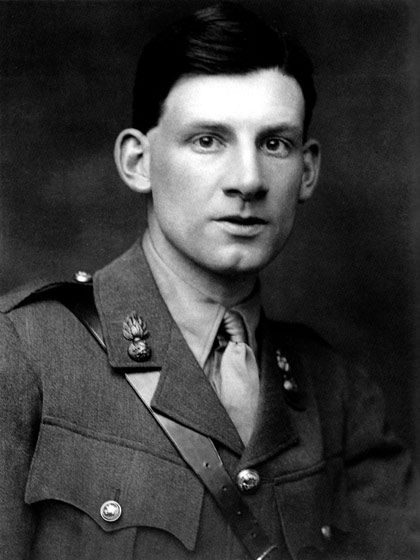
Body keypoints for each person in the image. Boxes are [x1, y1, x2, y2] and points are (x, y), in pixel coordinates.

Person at [0, 3, 419, 559]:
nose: (248, 180)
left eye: (274, 143)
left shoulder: (340, 396)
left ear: (307, 171)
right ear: (138, 161)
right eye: (207, 140)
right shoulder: (24, 355)